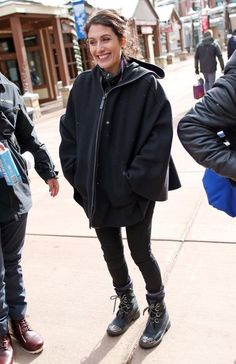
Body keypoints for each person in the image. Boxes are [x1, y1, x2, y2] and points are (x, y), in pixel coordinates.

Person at [59, 9, 181, 350]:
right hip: (96, 188)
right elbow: (68, 135)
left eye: (106, 39)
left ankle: (158, 309)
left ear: (122, 40)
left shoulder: (146, 85)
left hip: (134, 189)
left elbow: (159, 139)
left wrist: (132, 180)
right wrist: (77, 174)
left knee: (141, 251)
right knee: (110, 251)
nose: (99, 48)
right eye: (93, 42)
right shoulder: (83, 85)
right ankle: (127, 306)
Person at [0, 72, 59, 364]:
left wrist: (48, 170)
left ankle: (18, 320)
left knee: (12, 264)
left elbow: (28, 134)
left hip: (12, 195)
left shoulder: (8, 89)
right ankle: (1, 333)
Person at [177, 48, 236, 183]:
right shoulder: (233, 84)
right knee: (210, 83)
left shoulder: (203, 45)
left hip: (207, 68)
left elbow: (199, 56)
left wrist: (197, 68)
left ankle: (210, 90)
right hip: (213, 71)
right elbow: (191, 126)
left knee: (209, 83)